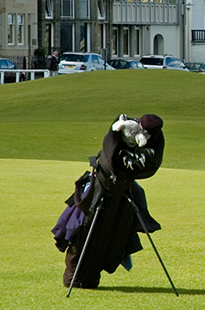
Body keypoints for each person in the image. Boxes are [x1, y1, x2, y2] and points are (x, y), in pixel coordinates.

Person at [52, 114, 165, 289]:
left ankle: (86, 277)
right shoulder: (122, 127)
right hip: (100, 191)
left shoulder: (154, 139)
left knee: (110, 235)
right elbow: (111, 158)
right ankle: (75, 277)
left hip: (120, 192)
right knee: (84, 229)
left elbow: (151, 166)